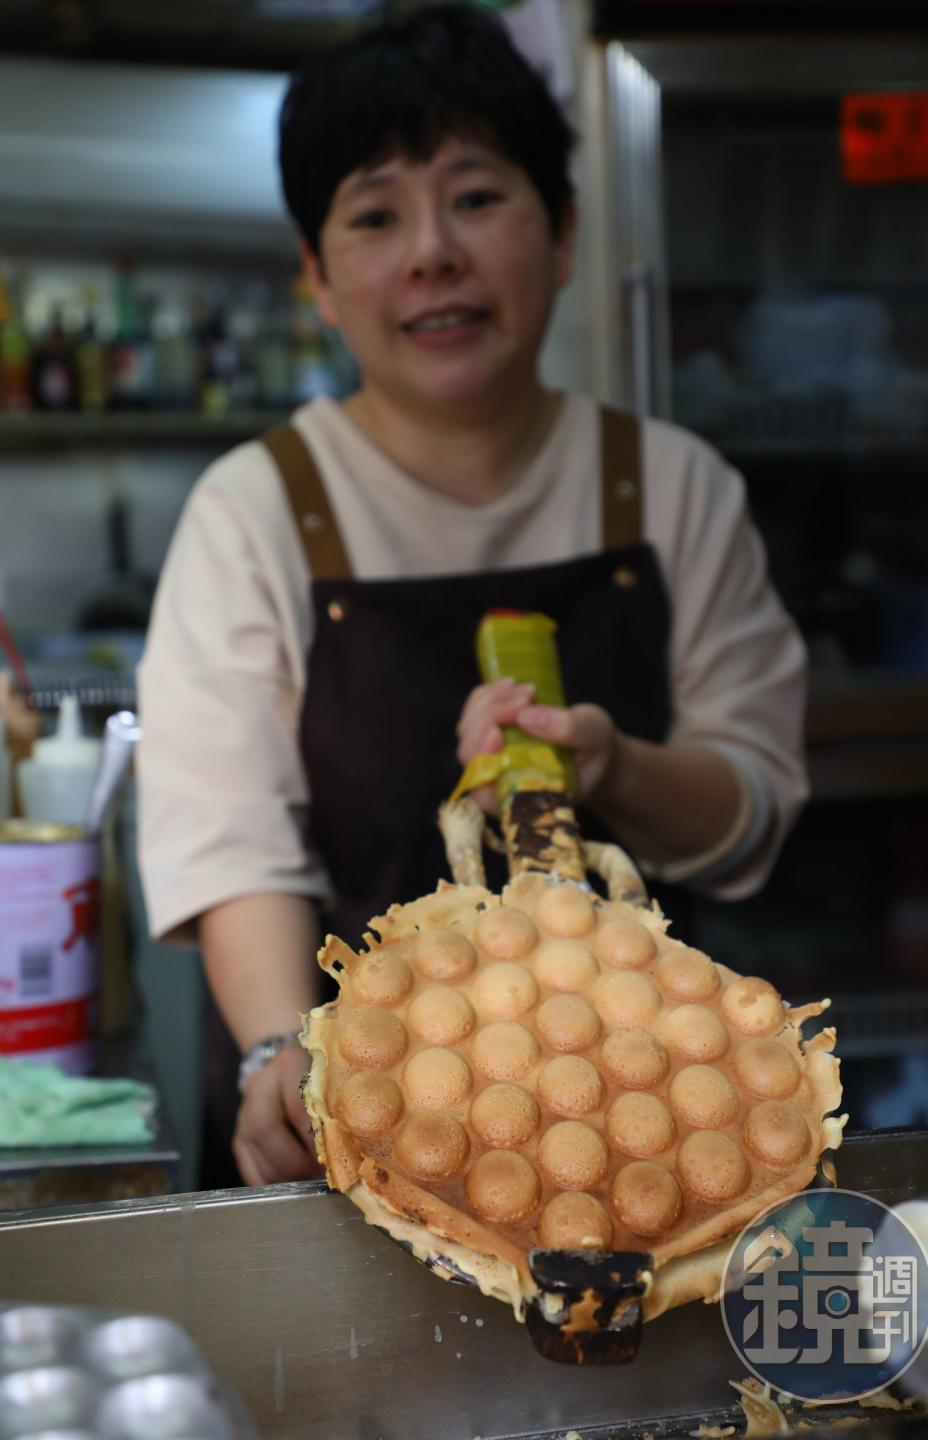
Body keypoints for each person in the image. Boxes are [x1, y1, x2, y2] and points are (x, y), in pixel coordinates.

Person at [137, 2, 808, 1189]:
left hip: (649, 1129)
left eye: (478, 197)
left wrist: (615, 769)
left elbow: (750, 805)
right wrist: (277, 1049)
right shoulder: (254, 510)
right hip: (355, 1128)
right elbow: (232, 846)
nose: (432, 253)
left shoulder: (670, 487)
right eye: (375, 215)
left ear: (562, 233)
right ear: (320, 279)